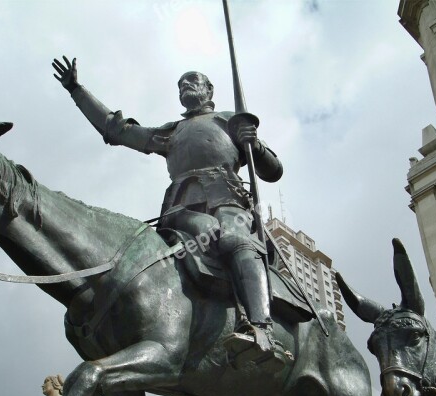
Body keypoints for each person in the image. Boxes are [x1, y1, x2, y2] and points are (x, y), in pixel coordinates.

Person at [51, 56, 288, 367]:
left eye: (192, 81)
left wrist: (254, 145)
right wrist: (76, 90)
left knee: (235, 239)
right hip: (181, 210)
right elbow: (117, 129)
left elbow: (273, 171)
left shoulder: (229, 121)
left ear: (209, 89)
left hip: (228, 203)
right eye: (180, 85)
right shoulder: (171, 132)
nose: (185, 86)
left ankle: (260, 329)